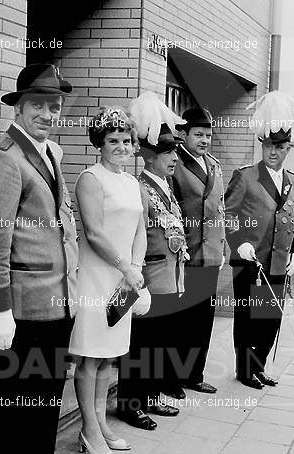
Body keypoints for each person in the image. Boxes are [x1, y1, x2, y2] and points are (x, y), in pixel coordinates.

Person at [0, 64, 78, 454]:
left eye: (56, 107)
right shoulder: (4, 159)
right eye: (39, 105)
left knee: (44, 412)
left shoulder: (47, 153)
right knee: (13, 417)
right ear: (18, 109)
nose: (48, 115)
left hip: (55, 308)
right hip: (22, 314)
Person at [68, 107, 148, 453]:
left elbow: (140, 229)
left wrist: (136, 267)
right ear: (99, 144)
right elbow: (95, 233)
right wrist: (125, 267)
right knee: (89, 356)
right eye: (113, 140)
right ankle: (88, 430)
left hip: (126, 279)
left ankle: (100, 421)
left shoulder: (132, 182)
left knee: (108, 356)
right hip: (98, 277)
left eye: (126, 141)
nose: (121, 146)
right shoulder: (91, 178)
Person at [116, 92, 187, 431]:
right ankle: (131, 403)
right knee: (140, 343)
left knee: (158, 340)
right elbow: (135, 236)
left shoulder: (166, 185)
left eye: (174, 151)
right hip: (147, 277)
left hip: (169, 276)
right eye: (167, 152)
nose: (174, 157)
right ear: (148, 154)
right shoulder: (141, 187)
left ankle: (151, 393)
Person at [225, 91, 294, 389]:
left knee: (270, 319)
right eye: (269, 146)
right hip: (250, 261)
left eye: (280, 147)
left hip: (279, 262)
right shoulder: (245, 177)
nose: (273, 152)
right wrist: (239, 242)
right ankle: (245, 370)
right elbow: (228, 215)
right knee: (248, 319)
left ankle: (258, 366)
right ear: (262, 145)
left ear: (288, 148)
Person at [171, 107, 226, 396]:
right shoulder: (175, 164)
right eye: (199, 134)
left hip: (210, 255)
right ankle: (174, 378)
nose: (204, 140)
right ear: (184, 134)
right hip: (187, 252)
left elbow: (220, 210)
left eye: (208, 135)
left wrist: (222, 246)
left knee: (204, 320)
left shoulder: (214, 165)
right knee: (182, 319)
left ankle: (194, 374)